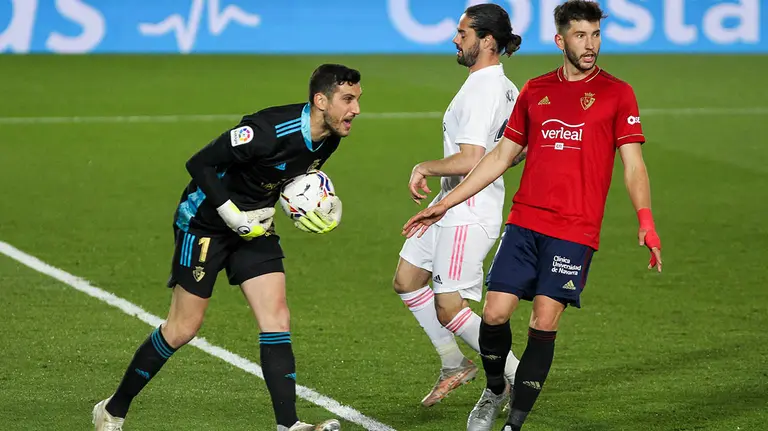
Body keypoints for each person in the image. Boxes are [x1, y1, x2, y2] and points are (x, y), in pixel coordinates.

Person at [402, 1, 663, 430]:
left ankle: (514, 424)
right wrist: (445, 204)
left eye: (596, 35)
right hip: (524, 222)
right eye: (581, 35)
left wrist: (646, 221)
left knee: (544, 320)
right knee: (493, 315)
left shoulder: (618, 93)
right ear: (560, 40)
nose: (590, 45)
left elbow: (633, 165)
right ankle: (495, 389)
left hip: (575, 230)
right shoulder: (535, 90)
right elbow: (499, 156)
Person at [92, 64, 362, 431]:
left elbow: (285, 178)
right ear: (321, 100)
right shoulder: (267, 130)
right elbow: (199, 163)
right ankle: (112, 410)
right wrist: (233, 215)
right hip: (204, 223)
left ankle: (289, 425)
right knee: (183, 328)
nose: (356, 110)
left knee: (276, 318)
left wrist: (309, 201)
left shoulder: (330, 137)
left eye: (357, 100)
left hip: (256, 226)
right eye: (348, 99)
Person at [393, 3, 525, 408]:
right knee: (407, 279)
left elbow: (471, 158)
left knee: (450, 307)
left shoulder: (483, 89)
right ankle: (454, 363)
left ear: (487, 41)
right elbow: (516, 151)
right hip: (452, 202)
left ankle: (518, 377)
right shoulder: (505, 87)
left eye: (463, 33)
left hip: (469, 210)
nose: (455, 39)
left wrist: (424, 166)